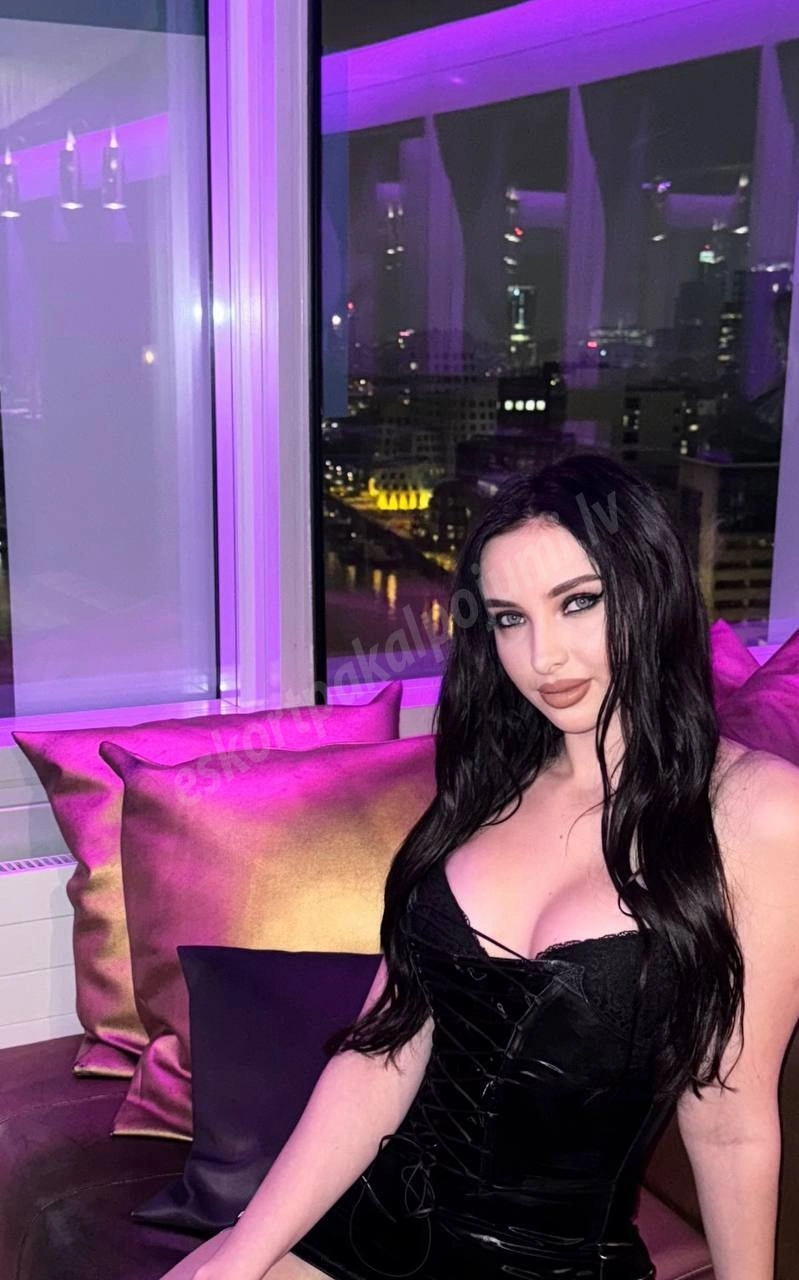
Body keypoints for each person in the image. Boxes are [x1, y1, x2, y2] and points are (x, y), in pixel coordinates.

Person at [160, 451, 799, 1280]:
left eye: (578, 603)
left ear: (651, 591)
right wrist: (242, 1256)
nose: (543, 657)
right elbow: (381, 1055)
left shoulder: (757, 813)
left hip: (553, 1263)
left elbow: (730, 1120)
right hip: (369, 1227)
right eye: (508, 619)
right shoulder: (487, 786)